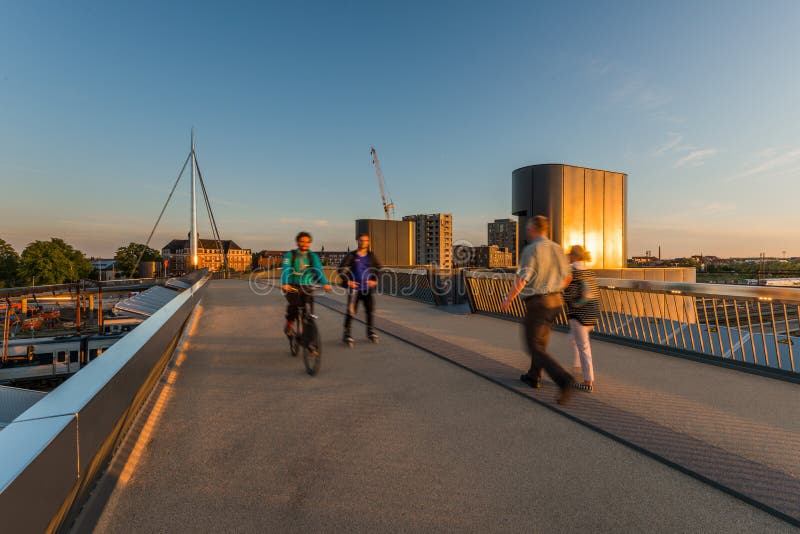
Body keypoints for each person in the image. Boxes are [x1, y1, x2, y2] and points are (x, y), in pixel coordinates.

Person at [501, 216, 575, 404]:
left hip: (538, 303)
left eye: (528, 229)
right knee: (540, 343)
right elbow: (568, 278)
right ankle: (534, 376)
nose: (526, 231)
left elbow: (522, 278)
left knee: (532, 344)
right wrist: (555, 288)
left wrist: (508, 298)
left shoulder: (531, 249)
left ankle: (564, 379)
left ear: (534, 229)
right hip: (556, 302)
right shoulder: (557, 248)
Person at [563, 245, 600, 392]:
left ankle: (588, 381)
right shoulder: (590, 271)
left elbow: (563, 287)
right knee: (574, 339)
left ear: (573, 256)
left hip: (579, 313)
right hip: (592, 312)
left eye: (569, 255)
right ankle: (577, 369)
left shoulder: (572, 270)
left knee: (583, 346)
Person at [281, 232, 332, 338]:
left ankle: (310, 341)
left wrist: (325, 284)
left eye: (307, 242)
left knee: (309, 313)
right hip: (292, 285)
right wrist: (285, 283)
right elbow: (285, 269)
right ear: (297, 242)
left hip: (307, 286)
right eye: (302, 241)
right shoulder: (290, 255)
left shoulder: (312, 256)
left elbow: (318, 270)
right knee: (294, 307)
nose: (304, 244)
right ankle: (289, 324)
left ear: (310, 243)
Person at [337, 233, 383, 344]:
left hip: (367, 289)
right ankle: (347, 333)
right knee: (351, 311)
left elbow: (378, 268)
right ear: (358, 241)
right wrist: (348, 281)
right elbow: (340, 269)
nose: (363, 242)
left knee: (370, 310)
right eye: (361, 240)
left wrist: (374, 280)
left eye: (366, 240)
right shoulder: (352, 255)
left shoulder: (371, 256)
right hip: (355, 290)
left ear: (368, 242)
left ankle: (370, 331)